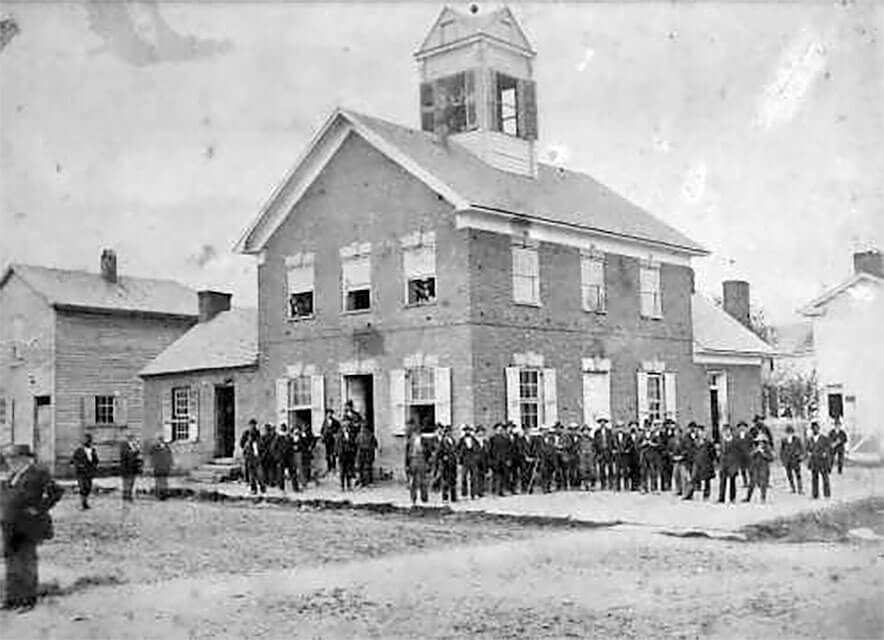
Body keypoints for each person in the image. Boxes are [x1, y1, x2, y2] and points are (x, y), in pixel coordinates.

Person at [1, 444, 64, 611]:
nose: (9, 462)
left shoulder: (38, 473)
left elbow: (57, 491)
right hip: (10, 524)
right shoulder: (13, 475)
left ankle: (27, 600)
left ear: (24, 458)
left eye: (12, 458)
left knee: (26, 561)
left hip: (28, 525)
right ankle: (12, 598)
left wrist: (40, 508)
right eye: (8, 458)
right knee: (12, 561)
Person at [683, 425, 716, 500]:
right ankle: (689, 494)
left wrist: (711, 460)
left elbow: (713, 453)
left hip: (706, 462)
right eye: (699, 432)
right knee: (693, 478)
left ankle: (706, 495)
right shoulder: (695, 441)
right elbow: (691, 451)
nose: (700, 433)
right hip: (697, 462)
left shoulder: (708, 443)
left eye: (702, 432)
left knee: (707, 479)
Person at [71, 434, 99, 510]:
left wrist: (94, 467)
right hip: (81, 473)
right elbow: (73, 460)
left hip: (89, 472)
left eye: (88, 440)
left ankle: (85, 502)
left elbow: (96, 460)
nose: (86, 441)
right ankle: (83, 503)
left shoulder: (93, 450)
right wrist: (79, 465)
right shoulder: (79, 451)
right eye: (85, 440)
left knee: (88, 487)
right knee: (82, 487)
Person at [404, 424, 430, 505]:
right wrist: (407, 465)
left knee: (423, 480)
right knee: (413, 481)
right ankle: (413, 498)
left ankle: (424, 497)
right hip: (413, 460)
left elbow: (428, 451)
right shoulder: (409, 442)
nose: (415, 434)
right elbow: (406, 454)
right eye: (414, 432)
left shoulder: (424, 441)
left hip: (422, 460)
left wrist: (427, 462)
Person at [744, 434, 774, 503]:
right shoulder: (755, 448)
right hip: (755, 467)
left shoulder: (767, 449)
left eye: (762, 442)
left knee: (763, 483)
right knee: (752, 483)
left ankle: (763, 498)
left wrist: (763, 453)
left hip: (764, 468)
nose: (760, 443)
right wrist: (756, 451)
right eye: (759, 442)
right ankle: (748, 498)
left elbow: (771, 458)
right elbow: (750, 456)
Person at [807, 421, 832, 499]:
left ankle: (827, 494)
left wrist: (825, 453)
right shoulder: (810, 439)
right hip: (814, 461)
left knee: (825, 478)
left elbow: (828, 448)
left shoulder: (824, 438)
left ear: (819, 429)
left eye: (816, 428)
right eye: (813, 429)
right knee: (814, 478)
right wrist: (809, 453)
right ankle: (815, 495)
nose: (815, 430)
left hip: (822, 461)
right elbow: (808, 449)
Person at [457, 425, 483, 499]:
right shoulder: (461, 440)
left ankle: (473, 493)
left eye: (469, 430)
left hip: (473, 460)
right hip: (465, 460)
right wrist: (460, 457)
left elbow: (478, 449)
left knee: (474, 477)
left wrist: (476, 457)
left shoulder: (474, 440)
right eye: (466, 430)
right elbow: (458, 450)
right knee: (464, 477)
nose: (467, 432)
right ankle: (464, 494)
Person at [717, 425, 741, 503]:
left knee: (732, 481)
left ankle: (732, 498)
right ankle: (721, 497)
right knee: (722, 481)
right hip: (723, 463)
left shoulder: (735, 440)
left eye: (727, 430)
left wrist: (737, 463)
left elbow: (738, 452)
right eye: (724, 431)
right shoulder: (722, 440)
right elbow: (720, 451)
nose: (726, 432)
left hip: (732, 462)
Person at [435, 425, 459, 502]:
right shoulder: (443, 441)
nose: (449, 433)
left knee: (453, 480)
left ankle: (453, 497)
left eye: (450, 431)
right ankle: (445, 497)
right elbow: (439, 452)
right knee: (445, 480)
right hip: (446, 463)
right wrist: (443, 457)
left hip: (453, 462)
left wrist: (456, 457)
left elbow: (456, 450)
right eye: (447, 432)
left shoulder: (453, 440)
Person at [780, 424, 804, 494]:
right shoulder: (784, 440)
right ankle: (792, 488)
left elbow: (801, 448)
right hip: (787, 460)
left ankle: (800, 489)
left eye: (790, 432)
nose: (789, 433)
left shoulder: (797, 439)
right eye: (788, 432)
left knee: (798, 474)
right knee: (789, 475)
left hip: (795, 459)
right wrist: (783, 459)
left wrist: (799, 455)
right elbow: (782, 450)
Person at [148, 434, 173, 500]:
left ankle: (164, 494)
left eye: (161, 439)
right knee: (158, 481)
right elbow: (151, 454)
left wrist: (170, 464)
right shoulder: (154, 447)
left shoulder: (167, 447)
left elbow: (170, 456)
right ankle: (159, 495)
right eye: (159, 440)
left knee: (164, 481)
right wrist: (151, 465)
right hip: (158, 466)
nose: (160, 441)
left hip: (165, 467)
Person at [488, 423, 510, 497]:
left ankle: (501, 491)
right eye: (498, 429)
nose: (500, 431)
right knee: (495, 476)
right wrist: (491, 460)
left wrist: (507, 459)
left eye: (501, 430)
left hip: (503, 460)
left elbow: (508, 450)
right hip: (495, 460)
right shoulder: (492, 439)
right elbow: (490, 451)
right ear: (495, 430)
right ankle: (494, 491)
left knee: (503, 476)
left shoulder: (505, 439)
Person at [119, 433, 143, 502]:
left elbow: (136, 455)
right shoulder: (124, 445)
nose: (132, 439)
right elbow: (126, 455)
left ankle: (129, 495)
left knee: (131, 482)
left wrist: (137, 451)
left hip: (133, 468)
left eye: (132, 438)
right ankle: (126, 496)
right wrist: (134, 451)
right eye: (131, 438)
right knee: (126, 482)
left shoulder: (134, 446)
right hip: (126, 468)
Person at [274, 425, 298, 493]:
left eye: (284, 429)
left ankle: (295, 488)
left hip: (289, 457)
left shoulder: (289, 437)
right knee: (280, 473)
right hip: (281, 457)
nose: (284, 431)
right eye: (282, 429)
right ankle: (281, 488)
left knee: (293, 472)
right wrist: (277, 456)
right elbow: (273, 448)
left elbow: (293, 445)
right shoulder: (278, 438)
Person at [593, 418, 615, 490]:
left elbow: (612, 441)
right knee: (601, 468)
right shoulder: (597, 432)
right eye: (601, 422)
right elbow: (595, 442)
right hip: (601, 452)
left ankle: (611, 484)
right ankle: (603, 484)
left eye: (604, 422)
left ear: (605, 423)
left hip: (608, 452)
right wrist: (596, 452)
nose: (602, 423)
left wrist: (612, 450)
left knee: (610, 468)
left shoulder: (609, 431)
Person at [336, 423, 357, 491]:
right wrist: (337, 454)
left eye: (347, 427)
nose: (346, 429)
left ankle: (349, 486)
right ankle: (342, 486)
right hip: (342, 455)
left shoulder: (351, 435)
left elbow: (353, 443)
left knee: (349, 471)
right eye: (344, 427)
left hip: (349, 455)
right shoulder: (339, 436)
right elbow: (337, 445)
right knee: (342, 472)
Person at [320, 408, 342, 473]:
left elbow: (339, 430)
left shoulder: (336, 422)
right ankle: (329, 467)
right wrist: (323, 436)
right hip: (327, 440)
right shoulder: (325, 422)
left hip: (333, 440)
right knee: (327, 454)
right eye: (328, 413)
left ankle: (334, 467)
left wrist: (335, 434)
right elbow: (322, 430)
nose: (329, 414)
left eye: (330, 413)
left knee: (333, 454)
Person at [239, 419, 260, 484]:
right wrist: (245, 448)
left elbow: (259, 441)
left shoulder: (257, 432)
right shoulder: (246, 432)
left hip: (254, 453)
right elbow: (242, 442)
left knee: (254, 467)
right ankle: (247, 480)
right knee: (247, 466)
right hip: (247, 452)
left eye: (254, 425)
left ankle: (254, 480)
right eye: (252, 425)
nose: (253, 426)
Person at [578, 425, 597, 491]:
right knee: (583, 470)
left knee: (592, 470)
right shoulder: (579, 440)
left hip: (590, 457)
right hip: (582, 457)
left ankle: (592, 485)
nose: (586, 432)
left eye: (587, 431)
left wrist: (593, 454)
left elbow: (595, 448)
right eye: (584, 431)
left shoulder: (592, 440)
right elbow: (577, 448)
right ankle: (585, 484)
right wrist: (580, 454)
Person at [734, 422, 752, 487]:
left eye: (743, 427)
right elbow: (735, 445)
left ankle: (751, 481)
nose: (742, 428)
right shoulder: (736, 436)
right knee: (743, 469)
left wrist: (750, 452)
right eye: (740, 427)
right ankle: (745, 482)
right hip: (740, 455)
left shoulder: (749, 436)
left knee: (750, 469)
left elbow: (751, 444)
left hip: (748, 454)